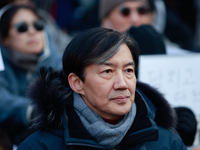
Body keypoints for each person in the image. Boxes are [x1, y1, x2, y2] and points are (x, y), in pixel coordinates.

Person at [18, 27, 186, 149]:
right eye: (107, 71)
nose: (122, 84)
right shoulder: (40, 146)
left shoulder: (167, 143)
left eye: (128, 70)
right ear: (77, 83)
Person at [0, 4, 62, 145]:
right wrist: (32, 110)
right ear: (5, 38)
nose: (32, 31)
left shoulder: (61, 62)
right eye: (22, 27)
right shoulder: (1, 66)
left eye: (38, 25)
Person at [99, 0, 193, 55]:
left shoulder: (178, 56)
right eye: (125, 12)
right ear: (106, 20)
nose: (135, 19)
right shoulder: (91, 56)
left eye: (142, 10)